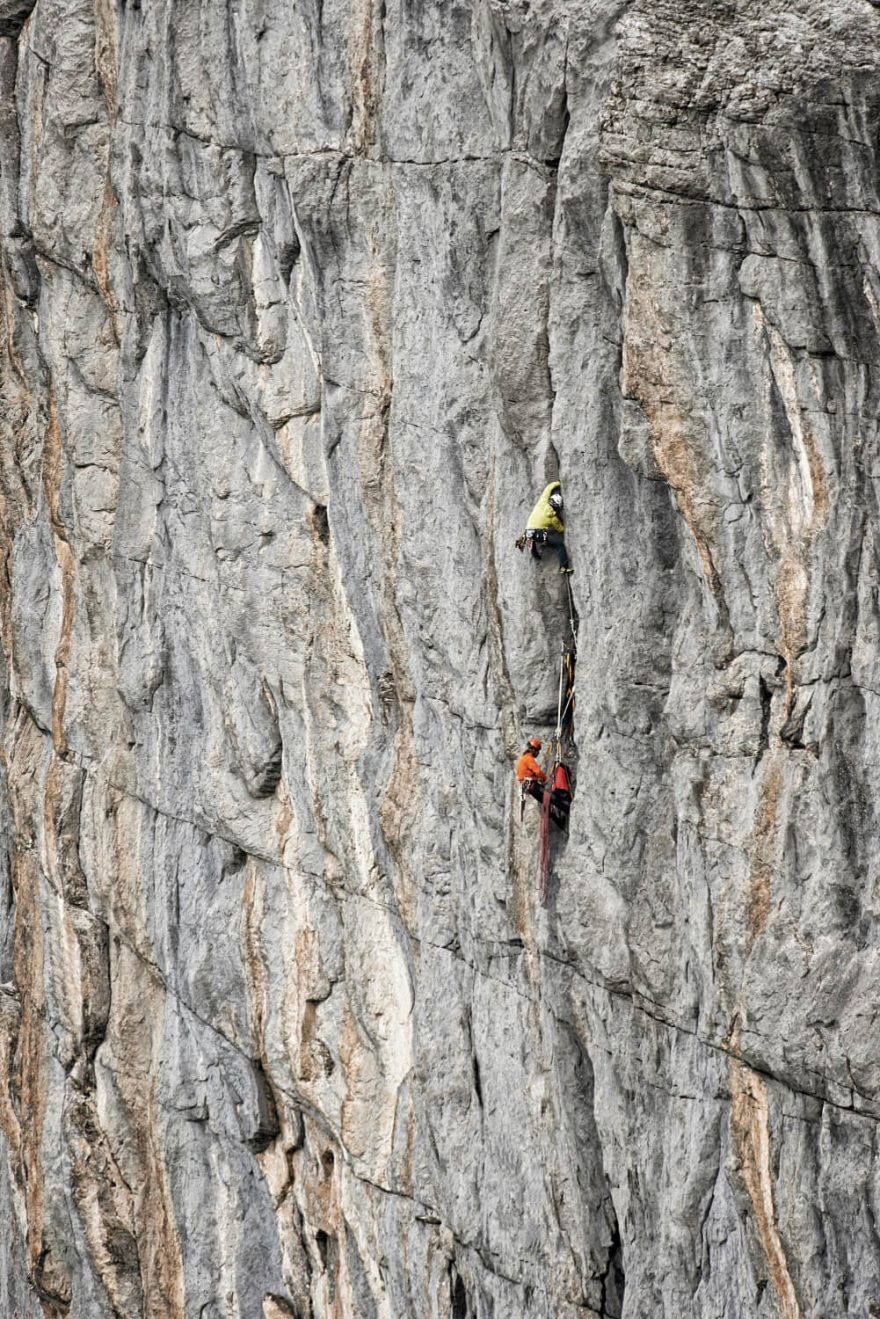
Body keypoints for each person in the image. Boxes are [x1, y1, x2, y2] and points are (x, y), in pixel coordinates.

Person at [516, 738, 568, 827]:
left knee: (546, 803)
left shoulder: (524, 759)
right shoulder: (529, 759)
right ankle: (568, 809)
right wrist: (546, 779)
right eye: (538, 751)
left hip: (531, 787)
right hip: (533, 786)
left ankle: (560, 822)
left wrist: (537, 779)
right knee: (551, 798)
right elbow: (538, 772)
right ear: (533, 750)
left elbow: (529, 774)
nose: (538, 753)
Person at [523, 480, 572, 573]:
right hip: (539, 534)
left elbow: (548, 488)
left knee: (537, 535)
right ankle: (564, 567)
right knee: (559, 545)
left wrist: (558, 483)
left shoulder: (542, 502)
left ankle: (534, 550)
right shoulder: (552, 517)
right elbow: (560, 529)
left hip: (528, 530)